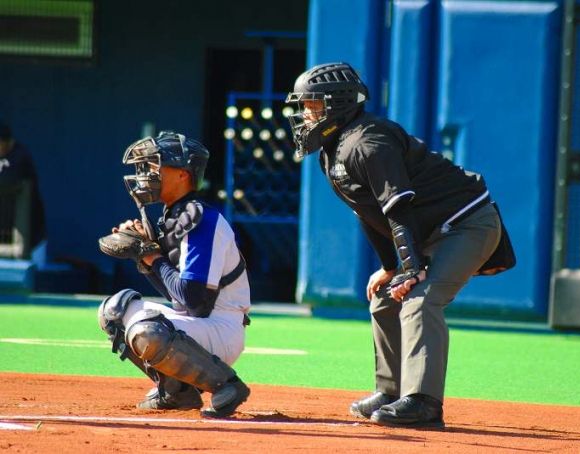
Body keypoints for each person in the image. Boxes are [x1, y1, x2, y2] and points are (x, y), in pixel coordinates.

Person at [286, 62, 503, 429]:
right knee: (386, 297)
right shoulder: (333, 149)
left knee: (420, 298)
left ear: (338, 103)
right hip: (432, 230)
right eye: (305, 106)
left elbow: (398, 206)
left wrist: (412, 268)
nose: (307, 114)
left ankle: (423, 402)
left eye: (313, 105)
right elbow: (369, 212)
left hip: (467, 224)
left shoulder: (367, 141)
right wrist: (392, 268)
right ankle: (391, 391)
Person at [97, 131, 251, 418]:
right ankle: (177, 392)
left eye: (154, 166)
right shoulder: (176, 216)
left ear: (182, 174)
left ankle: (226, 384)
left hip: (221, 327)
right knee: (114, 311)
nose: (146, 173)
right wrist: (144, 256)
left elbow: (192, 299)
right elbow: (178, 296)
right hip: (198, 322)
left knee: (147, 329)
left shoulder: (201, 220)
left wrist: (151, 256)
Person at [0, 122, 47, 255]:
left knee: (30, 266)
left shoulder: (20, 155)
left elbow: (9, 179)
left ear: (8, 142)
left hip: (31, 239)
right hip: (5, 237)